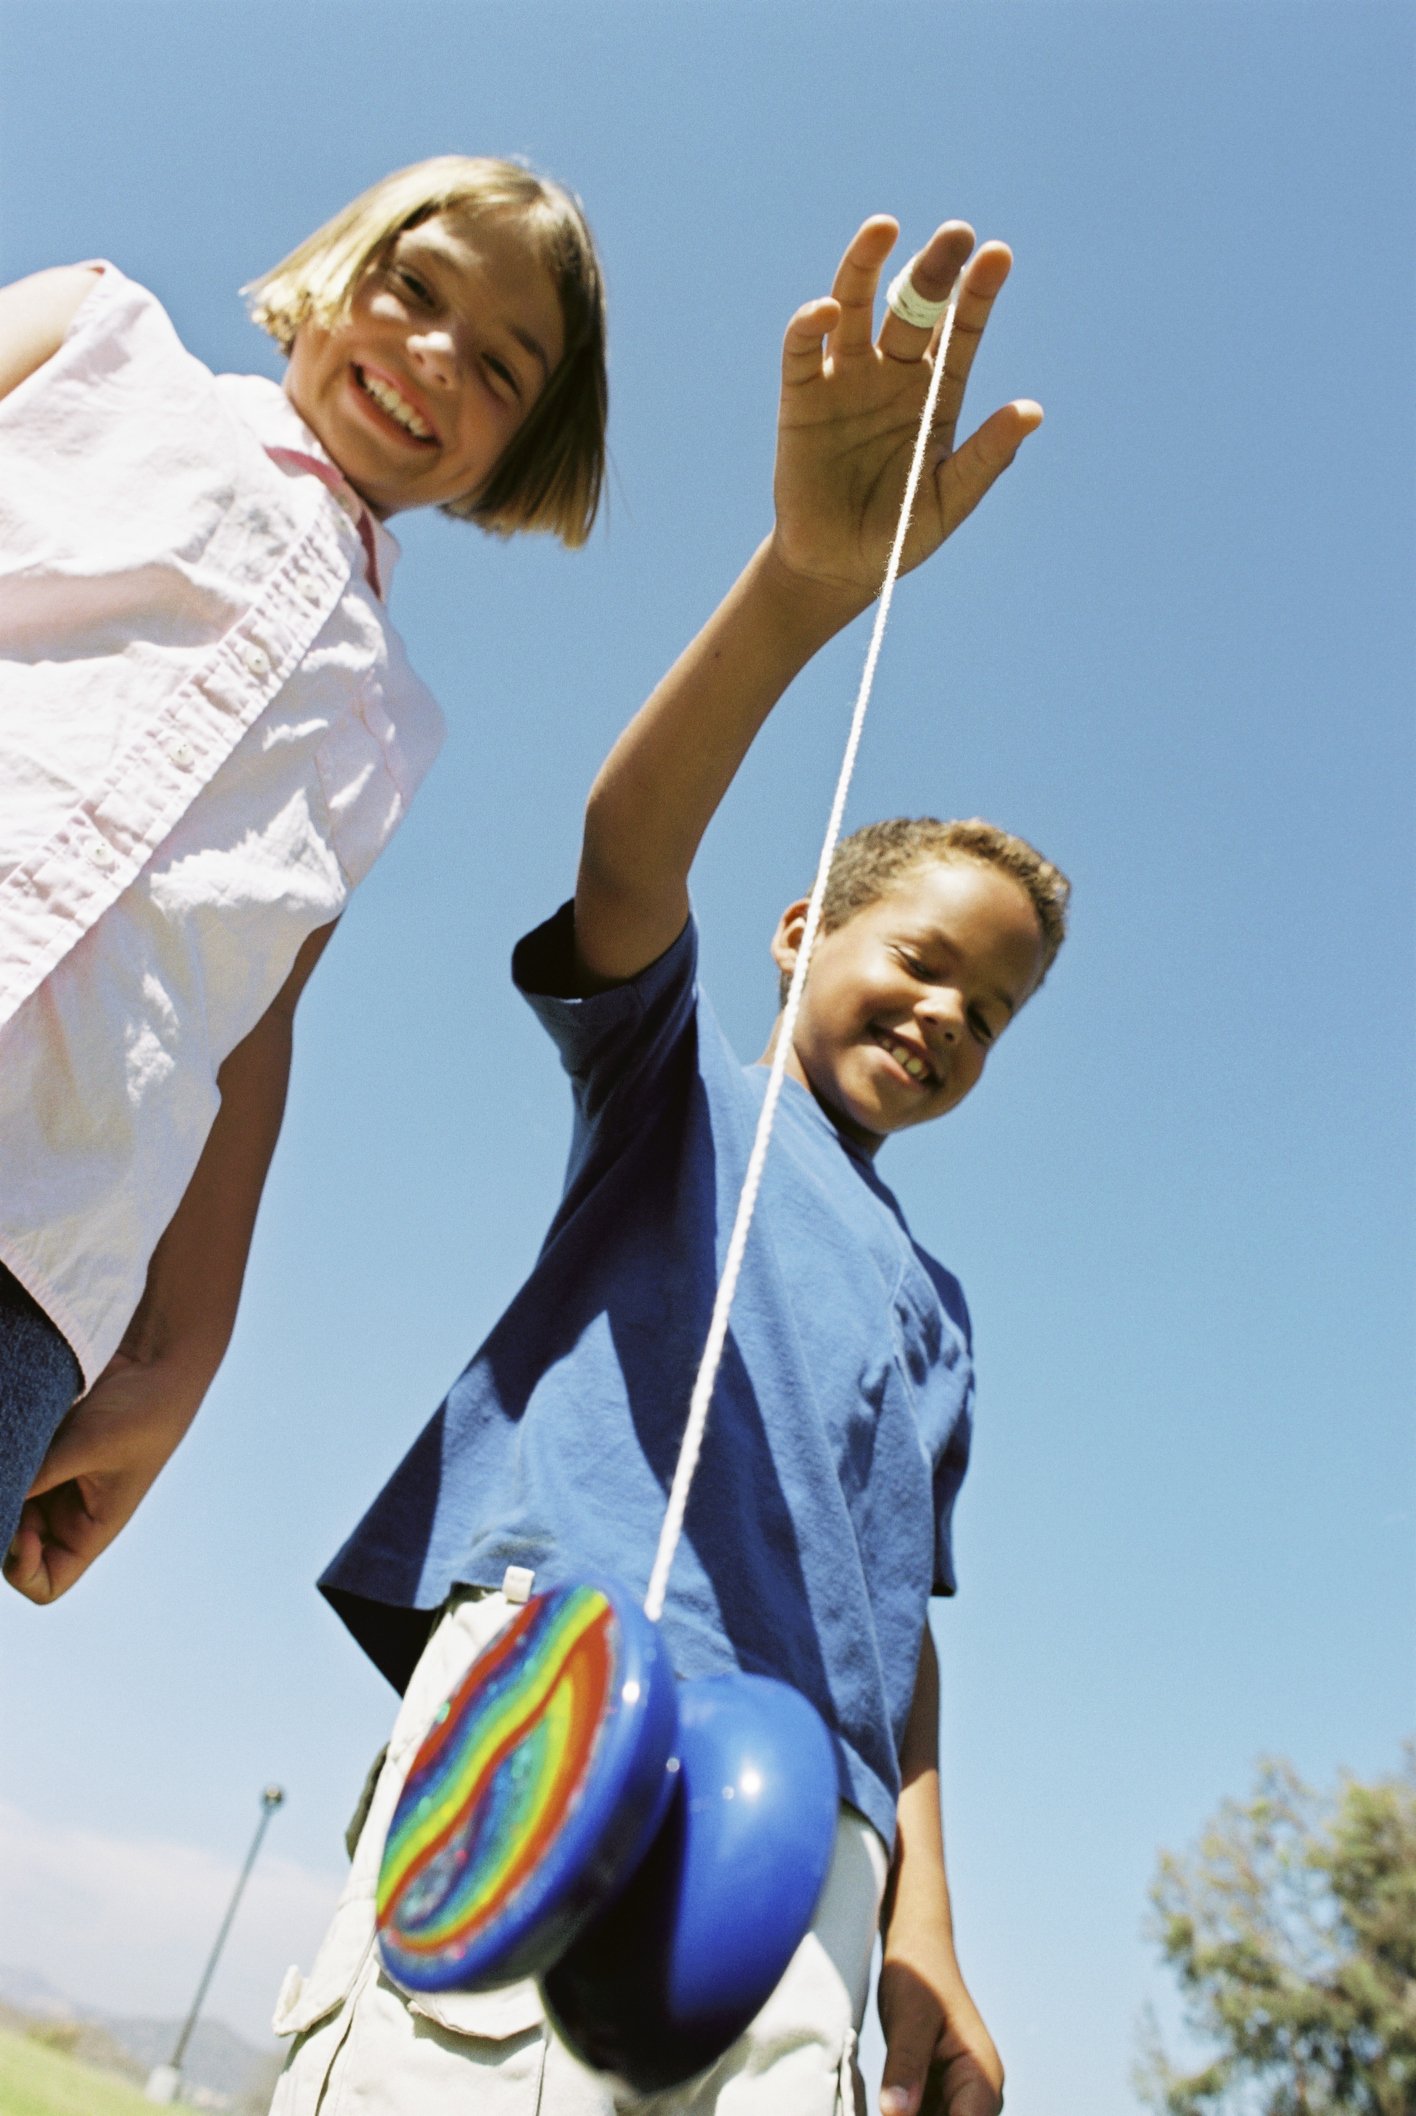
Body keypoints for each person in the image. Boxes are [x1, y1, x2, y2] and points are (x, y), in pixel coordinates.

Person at [271, 215, 1065, 2116]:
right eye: (922, 959)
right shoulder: (676, 1098)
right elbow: (629, 853)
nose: (950, 1017)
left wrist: (920, 1925)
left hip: (807, 1853)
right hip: (567, 1701)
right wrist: (804, 588)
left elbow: (905, 1631)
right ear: (804, 932)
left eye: (996, 1013)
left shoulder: (941, 1312)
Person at [0, 155, 608, 1604]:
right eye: (415, 288)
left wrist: (177, 1351)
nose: (435, 354)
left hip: (34, 1250)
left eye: (504, 367)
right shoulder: (99, 339)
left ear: (514, 458)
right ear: (337, 270)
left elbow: (252, 1032)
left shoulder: (392, 726)